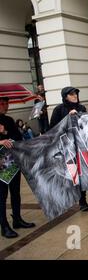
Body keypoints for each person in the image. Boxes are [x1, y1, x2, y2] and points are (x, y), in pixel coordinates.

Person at [50, 87, 88, 211]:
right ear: (65, 96)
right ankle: (82, 200)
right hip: (68, 147)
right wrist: (67, 117)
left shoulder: (81, 108)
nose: (74, 96)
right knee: (77, 173)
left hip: (83, 145)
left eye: (75, 93)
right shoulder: (59, 109)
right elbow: (53, 128)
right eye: (71, 94)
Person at [0, 97, 36, 238]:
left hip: (12, 163)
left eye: (7, 103)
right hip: (0, 167)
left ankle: (17, 219)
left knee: (15, 192)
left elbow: (17, 138)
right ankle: (4, 226)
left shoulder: (8, 120)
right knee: (2, 197)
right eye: (2, 103)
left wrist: (4, 133)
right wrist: (1, 140)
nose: (5, 106)